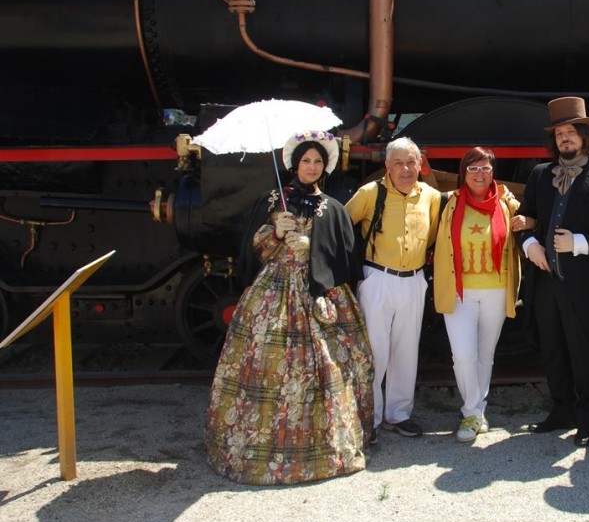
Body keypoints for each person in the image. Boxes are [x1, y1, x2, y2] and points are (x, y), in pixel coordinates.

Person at [206, 130, 374, 485]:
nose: (311, 167)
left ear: (324, 166)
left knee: (332, 365)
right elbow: (251, 251)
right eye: (305, 161)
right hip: (275, 291)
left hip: (319, 291)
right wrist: (274, 234)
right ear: (295, 165)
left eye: (317, 162)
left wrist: (311, 245)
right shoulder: (272, 201)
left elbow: (344, 256)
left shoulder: (334, 208)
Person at [518, 96, 589, 447]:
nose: (565, 138)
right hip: (545, 279)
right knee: (552, 346)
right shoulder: (540, 174)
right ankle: (561, 409)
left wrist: (579, 242)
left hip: (580, 279)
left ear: (584, 137)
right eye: (560, 133)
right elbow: (525, 219)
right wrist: (529, 245)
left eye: (571, 132)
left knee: (585, 348)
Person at [346, 137, 441, 440]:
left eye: (411, 162)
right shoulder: (370, 193)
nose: (405, 169)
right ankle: (370, 419)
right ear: (387, 166)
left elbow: (435, 234)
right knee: (375, 351)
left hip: (414, 281)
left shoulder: (430, 196)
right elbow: (340, 224)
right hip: (378, 280)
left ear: (420, 164)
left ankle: (398, 414)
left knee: (406, 351)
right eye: (398, 163)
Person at [433, 147, 529, 442]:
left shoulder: (505, 202)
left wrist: (528, 221)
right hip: (459, 290)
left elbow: (527, 218)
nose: (479, 174)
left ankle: (478, 410)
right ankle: (471, 411)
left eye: (485, 168)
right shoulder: (449, 203)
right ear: (463, 172)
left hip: (496, 290)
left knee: (485, 356)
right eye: (473, 168)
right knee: (463, 355)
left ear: (493, 172)